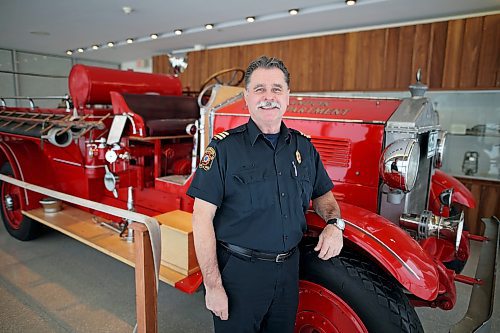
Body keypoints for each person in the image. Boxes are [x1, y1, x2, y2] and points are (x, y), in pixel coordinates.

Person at [187, 56, 343, 333]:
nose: (268, 97)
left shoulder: (304, 148)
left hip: (288, 273)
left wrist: (334, 225)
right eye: (259, 89)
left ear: (287, 97)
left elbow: (325, 198)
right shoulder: (223, 150)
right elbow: (201, 219)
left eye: (276, 89)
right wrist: (212, 287)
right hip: (239, 275)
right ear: (246, 97)